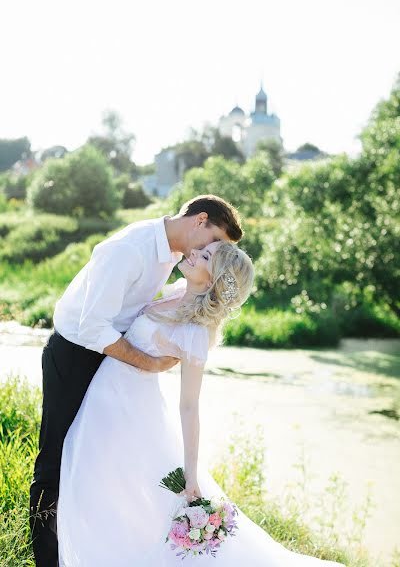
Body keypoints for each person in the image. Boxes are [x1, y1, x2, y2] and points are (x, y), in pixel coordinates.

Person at [56, 240, 345, 566]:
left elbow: (190, 405)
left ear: (212, 280)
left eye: (205, 256)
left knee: (105, 490)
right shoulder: (178, 291)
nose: (194, 253)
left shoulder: (193, 332)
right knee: (103, 490)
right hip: (106, 402)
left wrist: (191, 473)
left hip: (130, 413)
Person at [29, 194, 243, 567]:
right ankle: (48, 560)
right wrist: (150, 363)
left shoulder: (176, 257)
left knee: (97, 470)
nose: (211, 252)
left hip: (113, 371)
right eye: (214, 243)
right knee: (55, 467)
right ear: (199, 220)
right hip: (77, 356)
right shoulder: (132, 249)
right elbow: (92, 327)